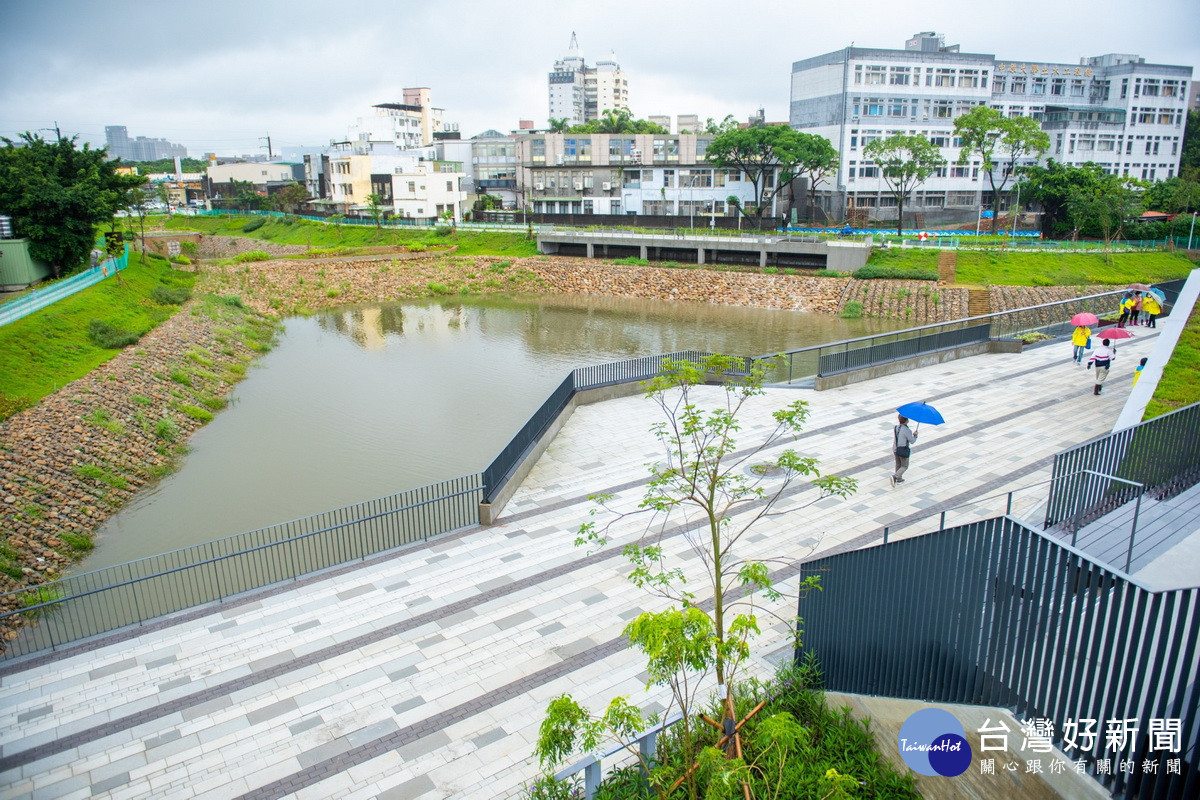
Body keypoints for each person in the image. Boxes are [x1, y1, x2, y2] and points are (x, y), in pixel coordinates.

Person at [890, 415, 917, 486]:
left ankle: (899, 479)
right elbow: (912, 441)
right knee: (905, 466)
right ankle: (895, 476)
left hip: (895, 448)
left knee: (898, 464)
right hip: (902, 450)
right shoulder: (907, 430)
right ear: (906, 420)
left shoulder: (896, 427)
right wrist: (915, 435)